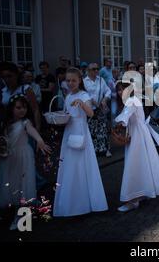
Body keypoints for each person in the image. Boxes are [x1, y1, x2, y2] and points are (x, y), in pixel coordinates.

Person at [53, 67, 108, 217]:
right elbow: (67, 113)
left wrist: (81, 103)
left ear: (79, 81)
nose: (70, 83)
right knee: (69, 167)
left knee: (81, 166)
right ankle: (70, 202)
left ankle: (85, 201)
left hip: (80, 133)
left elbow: (90, 113)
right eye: (68, 80)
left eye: (73, 80)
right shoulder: (67, 96)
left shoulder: (84, 95)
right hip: (68, 133)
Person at [114, 81, 159, 212]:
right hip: (139, 134)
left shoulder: (131, 101)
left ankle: (133, 199)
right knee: (142, 164)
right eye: (118, 90)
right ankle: (141, 192)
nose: (120, 92)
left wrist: (117, 125)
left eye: (122, 89)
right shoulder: (132, 100)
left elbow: (125, 117)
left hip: (137, 136)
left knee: (133, 165)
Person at [0, 95, 51, 229]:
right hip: (10, 158)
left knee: (23, 185)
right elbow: (3, 140)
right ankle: (19, 209)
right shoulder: (6, 124)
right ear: (12, 109)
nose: (22, 110)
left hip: (24, 157)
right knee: (13, 183)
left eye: (24, 107)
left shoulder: (25, 122)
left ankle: (22, 217)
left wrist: (39, 140)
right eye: (18, 108)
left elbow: (32, 131)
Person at [0, 62, 41, 130]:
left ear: (16, 75)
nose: (7, 80)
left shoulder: (25, 89)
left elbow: (35, 109)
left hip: (25, 126)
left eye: (9, 76)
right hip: (9, 125)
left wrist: (37, 128)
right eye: (4, 77)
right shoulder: (3, 91)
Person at [84, 63, 112, 157]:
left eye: (97, 69)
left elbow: (108, 91)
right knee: (92, 130)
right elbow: (84, 94)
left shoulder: (101, 80)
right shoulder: (84, 81)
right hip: (90, 110)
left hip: (100, 109)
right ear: (88, 70)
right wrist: (91, 101)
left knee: (104, 129)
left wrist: (105, 99)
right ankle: (94, 150)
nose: (96, 71)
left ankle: (106, 149)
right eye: (93, 69)